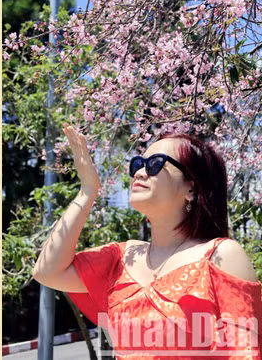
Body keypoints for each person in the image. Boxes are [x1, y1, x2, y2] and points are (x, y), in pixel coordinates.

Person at [32, 126, 262, 358]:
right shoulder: (122, 257)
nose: (140, 172)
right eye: (137, 164)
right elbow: (47, 271)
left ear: (191, 188)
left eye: (155, 163)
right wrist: (88, 190)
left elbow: (246, 353)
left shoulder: (221, 255)